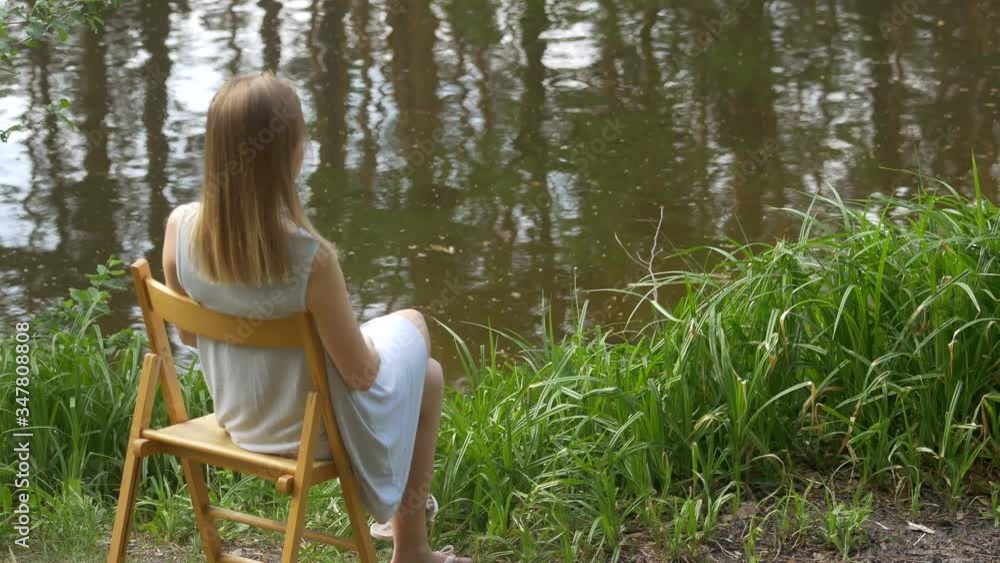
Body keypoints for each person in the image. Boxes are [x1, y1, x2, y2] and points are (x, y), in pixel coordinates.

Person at [160, 72, 471, 563]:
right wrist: (378, 343)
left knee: (427, 376)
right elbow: (361, 376)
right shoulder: (309, 258)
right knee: (415, 329)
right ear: (290, 153)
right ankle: (410, 547)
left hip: (237, 420)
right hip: (310, 436)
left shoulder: (180, 230)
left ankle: (411, 544)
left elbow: (190, 337)